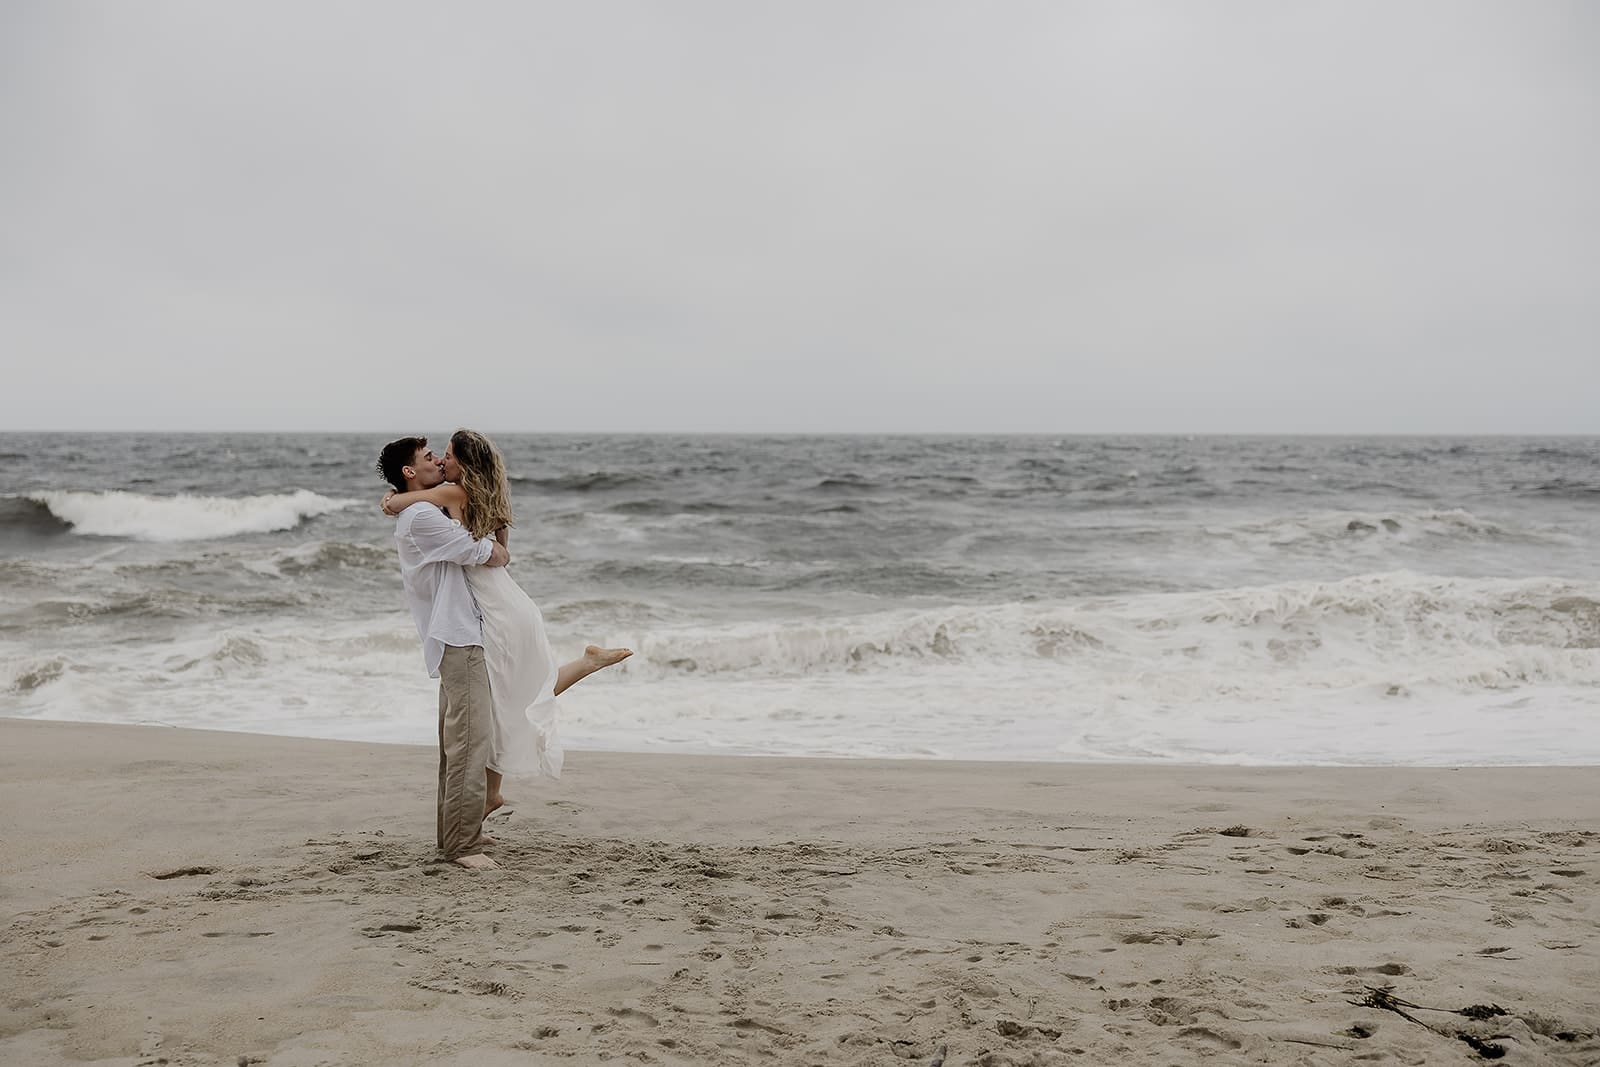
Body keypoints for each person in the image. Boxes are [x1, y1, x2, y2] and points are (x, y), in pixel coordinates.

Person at [381, 429, 632, 826]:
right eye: (435, 456)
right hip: (506, 601)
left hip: (493, 607)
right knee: (513, 693)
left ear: (463, 464)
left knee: (505, 699)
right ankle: (584, 666)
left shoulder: (453, 495)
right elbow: (500, 546)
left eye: (445, 455)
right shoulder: (487, 497)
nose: (441, 461)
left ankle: (492, 793)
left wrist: (392, 498)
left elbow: (402, 503)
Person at [377, 435, 507, 870]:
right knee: (469, 744)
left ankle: (455, 833)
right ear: (410, 473)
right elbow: (476, 550)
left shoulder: (422, 508)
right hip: (457, 637)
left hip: (459, 634)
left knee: (459, 744)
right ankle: (463, 846)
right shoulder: (419, 516)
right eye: (428, 457)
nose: (437, 460)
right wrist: (498, 550)